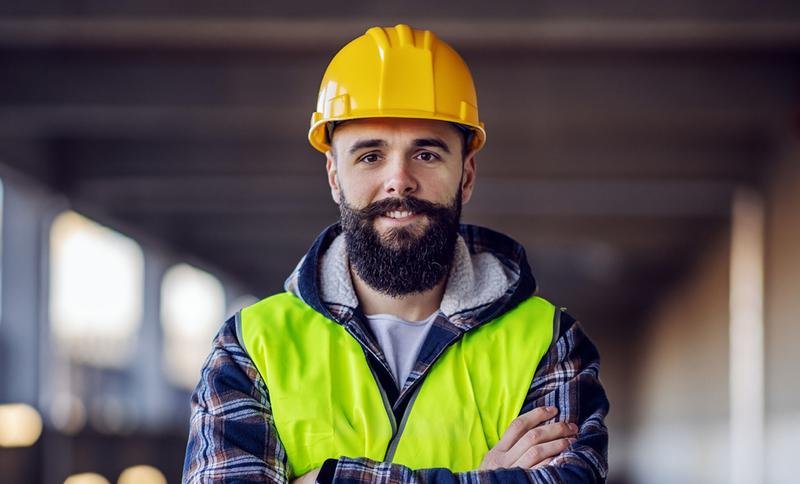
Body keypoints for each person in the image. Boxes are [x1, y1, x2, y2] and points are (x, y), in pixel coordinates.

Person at [183, 24, 609, 483]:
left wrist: (321, 479)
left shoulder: (548, 341)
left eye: (426, 155)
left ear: (465, 174)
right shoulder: (252, 346)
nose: (399, 180)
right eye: (370, 156)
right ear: (334, 174)